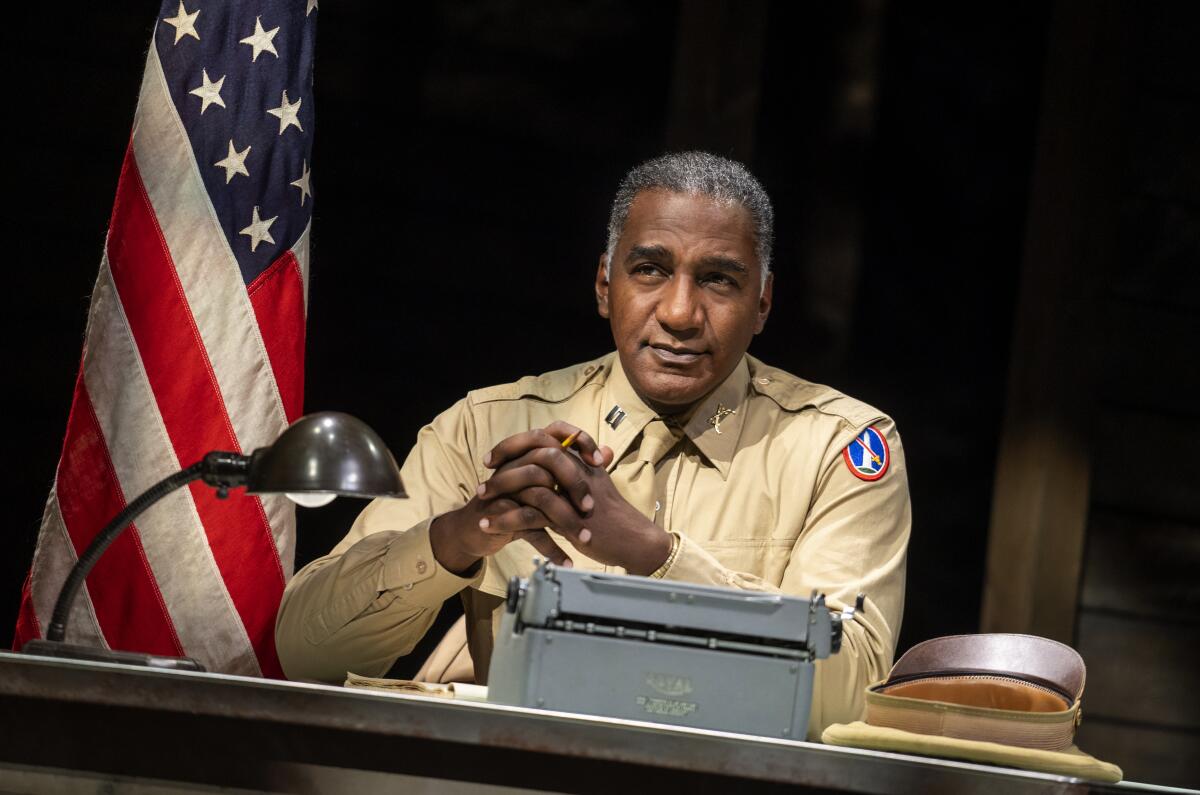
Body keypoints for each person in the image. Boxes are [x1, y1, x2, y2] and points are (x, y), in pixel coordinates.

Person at [275, 151, 911, 738]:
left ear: (763, 303)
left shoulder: (838, 446)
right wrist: (460, 538)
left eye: (718, 280)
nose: (682, 312)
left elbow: (849, 695)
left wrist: (655, 554)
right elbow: (304, 653)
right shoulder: (488, 425)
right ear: (606, 286)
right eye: (650, 270)